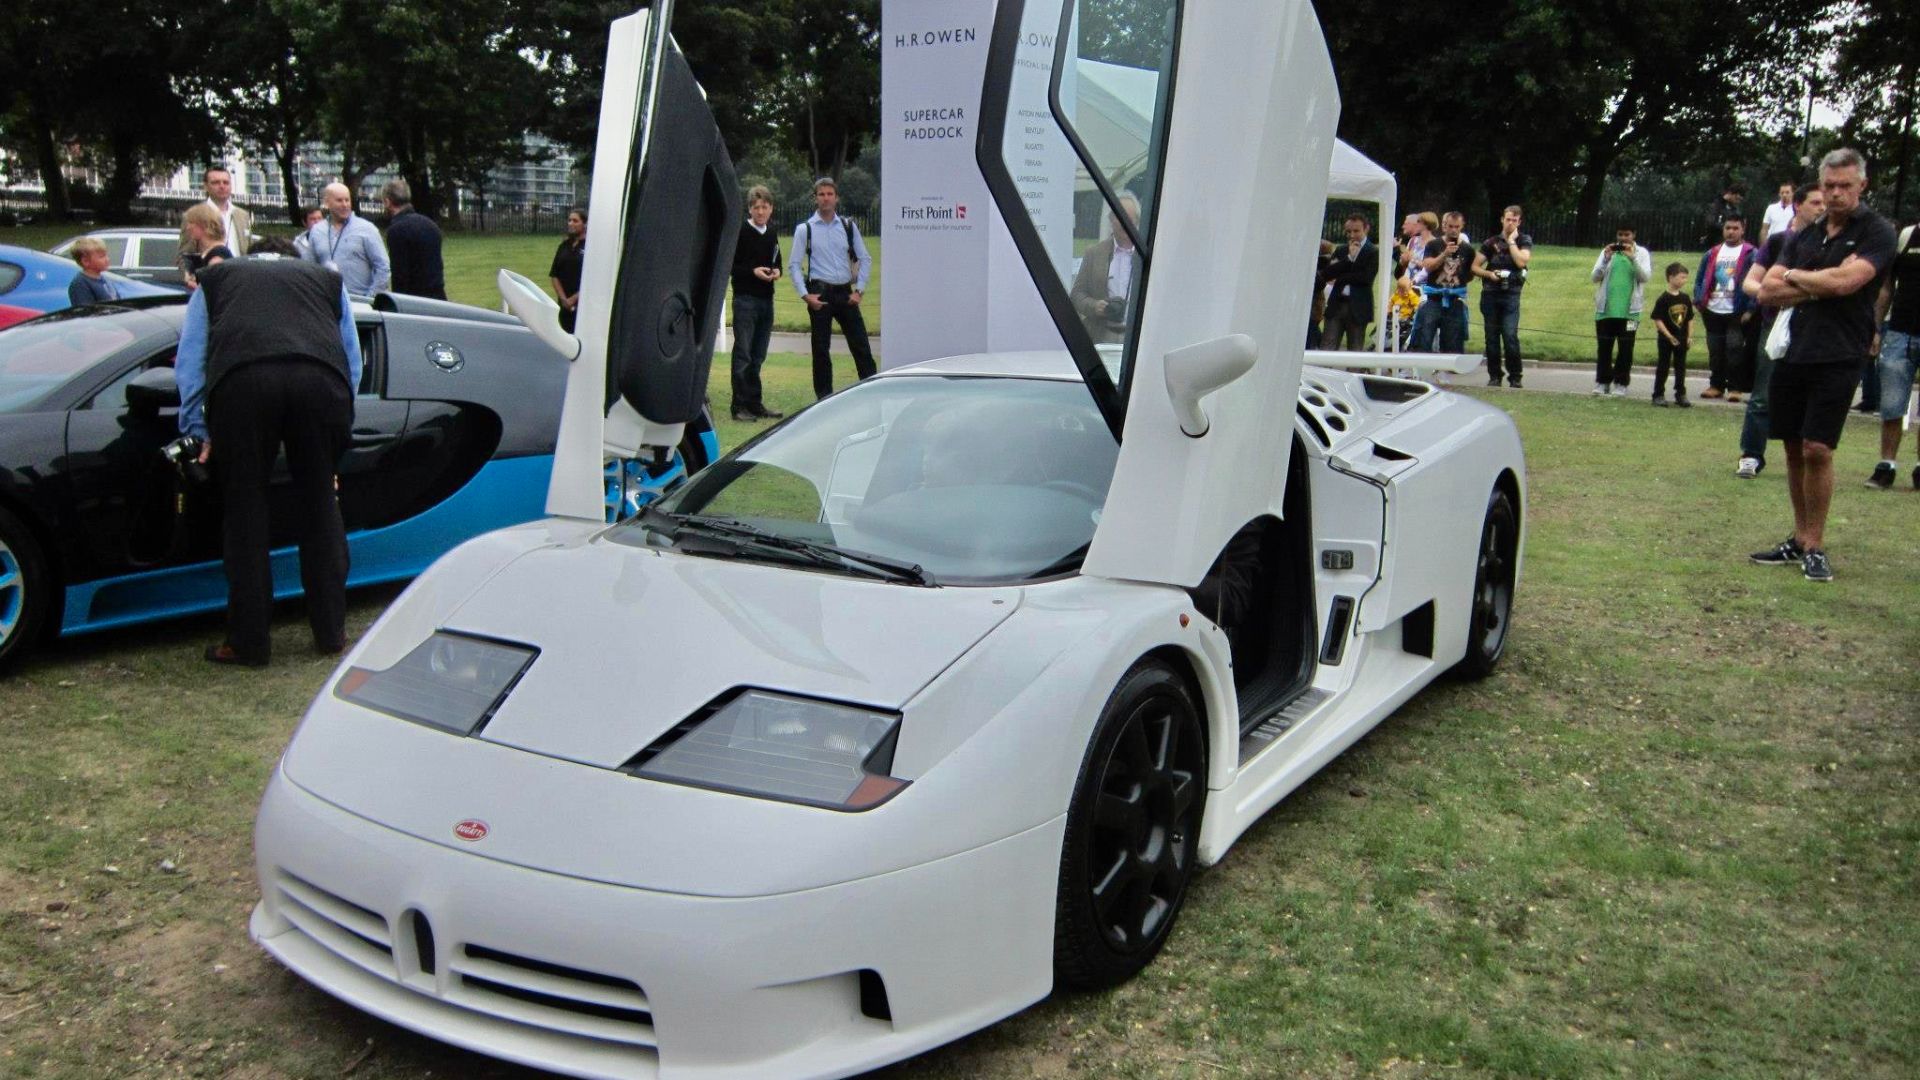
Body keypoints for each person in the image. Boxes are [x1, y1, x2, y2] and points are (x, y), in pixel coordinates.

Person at [174, 236, 363, 664]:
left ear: (249, 257)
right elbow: (352, 357)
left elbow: (191, 360)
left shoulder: (216, 279)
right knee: (320, 503)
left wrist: (198, 428)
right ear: (294, 261)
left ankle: (248, 642)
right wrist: (341, 420)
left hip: (243, 384)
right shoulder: (327, 280)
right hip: (321, 382)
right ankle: (331, 633)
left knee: (245, 510)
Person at [1750, 148, 1899, 583]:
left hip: (1840, 352)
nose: (1835, 194)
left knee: (1818, 448)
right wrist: (1818, 284)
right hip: (1795, 349)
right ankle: (1798, 538)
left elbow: (1850, 281)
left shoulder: (1877, 232)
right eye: (1828, 186)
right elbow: (1765, 290)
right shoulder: (1808, 233)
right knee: (1793, 447)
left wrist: (1800, 279)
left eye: (1844, 186)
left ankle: (1815, 544)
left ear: (1862, 186)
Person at [1735, 183, 1824, 478]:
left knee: (1808, 394)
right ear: (1798, 205)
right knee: (1763, 392)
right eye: (1815, 202)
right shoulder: (1777, 241)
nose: (1822, 208)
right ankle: (1751, 454)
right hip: (1776, 324)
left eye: (1824, 203)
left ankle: (1801, 454)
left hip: (1815, 327)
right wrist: (1773, 295)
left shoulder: (1830, 244)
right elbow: (1750, 281)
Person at [790, 177, 875, 399]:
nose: (826, 198)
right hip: (821, 294)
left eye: (830, 194)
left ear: (836, 198)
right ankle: (824, 398)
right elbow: (794, 265)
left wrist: (860, 290)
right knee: (820, 351)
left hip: (846, 293)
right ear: (815, 198)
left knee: (861, 346)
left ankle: (873, 392)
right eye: (821, 194)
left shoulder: (848, 226)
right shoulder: (805, 229)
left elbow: (865, 258)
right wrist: (805, 295)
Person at [1865, 219, 1919, 489]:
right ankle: (1887, 465)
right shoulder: (1908, 236)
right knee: (1891, 403)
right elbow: (1887, 286)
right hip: (1900, 332)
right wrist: (1875, 328)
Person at [729, 186, 784, 422]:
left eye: (765, 207)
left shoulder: (771, 233)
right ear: (750, 209)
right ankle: (739, 405)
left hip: (766, 300)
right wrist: (753, 271)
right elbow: (731, 266)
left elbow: (777, 259)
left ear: (771, 208)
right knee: (743, 353)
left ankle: (754, 403)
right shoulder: (740, 231)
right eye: (756, 207)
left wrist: (777, 271)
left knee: (758, 354)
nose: (760, 211)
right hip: (745, 300)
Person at [1693, 215, 1758, 400]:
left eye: (1735, 228)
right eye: (1728, 228)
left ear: (1743, 229)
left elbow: (1757, 280)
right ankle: (1716, 385)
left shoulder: (1751, 253)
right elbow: (1701, 278)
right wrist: (1699, 300)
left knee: (1735, 349)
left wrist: (1751, 309)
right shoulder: (1712, 253)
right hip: (1713, 308)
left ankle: (1735, 387)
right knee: (1715, 350)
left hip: (1736, 310)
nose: (1731, 232)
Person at [1072, 193, 1144, 347]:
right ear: (1111, 220)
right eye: (1120, 219)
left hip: (1137, 339)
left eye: (1131, 220)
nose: (1125, 224)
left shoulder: (1146, 254)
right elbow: (1077, 295)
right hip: (1101, 336)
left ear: (1137, 221)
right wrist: (1095, 306)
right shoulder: (1094, 253)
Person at [1474, 205, 1533, 387]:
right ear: (1502, 219)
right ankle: (1494, 376)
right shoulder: (1491, 242)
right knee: (1491, 337)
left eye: (1514, 220)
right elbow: (1475, 266)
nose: (1510, 223)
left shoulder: (1523, 240)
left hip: (1511, 295)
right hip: (1491, 293)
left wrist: (1512, 242)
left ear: (1519, 222)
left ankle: (1515, 376)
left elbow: (1522, 261)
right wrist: (1489, 274)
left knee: (1509, 335)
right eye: (1508, 219)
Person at [1590, 225, 1652, 395]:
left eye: (1627, 234)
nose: (1623, 238)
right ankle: (1602, 382)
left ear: (1634, 235)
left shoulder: (1642, 253)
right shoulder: (1608, 252)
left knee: (1626, 348)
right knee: (1604, 348)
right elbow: (1594, 277)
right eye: (1620, 234)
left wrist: (1632, 259)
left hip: (1631, 313)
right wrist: (1605, 259)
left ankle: (1621, 383)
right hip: (1605, 311)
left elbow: (1645, 277)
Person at [303, 182, 390, 295]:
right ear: (327, 202)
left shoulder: (367, 229)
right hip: (327, 302)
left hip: (359, 302)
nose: (345, 205)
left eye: (347, 200)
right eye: (339, 200)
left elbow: (383, 267)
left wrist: (371, 299)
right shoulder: (317, 231)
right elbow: (309, 268)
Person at [1411, 211, 1476, 353]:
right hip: (1434, 298)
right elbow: (1427, 265)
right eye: (1450, 226)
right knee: (1425, 337)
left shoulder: (1468, 249)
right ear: (1444, 226)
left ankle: (1448, 367)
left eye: (1457, 227)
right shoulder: (1434, 245)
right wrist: (1444, 254)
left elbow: (1470, 273)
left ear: (1462, 226)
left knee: (1452, 341)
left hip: (1454, 299)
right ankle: (1422, 366)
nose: (1453, 230)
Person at [1318, 213, 1378, 350]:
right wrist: (1349, 259)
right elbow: (1327, 274)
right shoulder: (1341, 250)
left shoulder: (1373, 252)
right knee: (1327, 345)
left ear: (1366, 229)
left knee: (1355, 348)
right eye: (1348, 231)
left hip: (1358, 306)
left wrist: (1341, 276)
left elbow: (1366, 278)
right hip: (1337, 304)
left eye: (1356, 231)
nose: (1352, 235)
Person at [381, 179, 446, 300]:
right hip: (438, 297)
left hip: (415, 301)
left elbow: (400, 275)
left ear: (387, 201)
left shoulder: (396, 230)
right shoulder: (431, 225)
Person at [179, 165, 252, 258]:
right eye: (216, 183)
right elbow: (184, 255)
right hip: (209, 271)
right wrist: (189, 272)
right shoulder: (193, 216)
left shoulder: (243, 215)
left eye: (226, 182)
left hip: (239, 271)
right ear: (205, 186)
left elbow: (250, 251)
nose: (222, 186)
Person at [1650, 263, 1695, 407]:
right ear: (1671, 277)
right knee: (1663, 365)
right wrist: (1668, 336)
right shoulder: (1663, 299)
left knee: (1680, 366)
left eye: (1685, 278)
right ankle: (1658, 394)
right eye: (1681, 277)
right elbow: (1658, 319)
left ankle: (1680, 393)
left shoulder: (1685, 298)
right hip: (1666, 339)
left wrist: (1689, 336)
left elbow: (1690, 319)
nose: (1684, 281)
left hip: (1681, 338)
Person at [548, 208, 587, 333]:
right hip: (564, 305)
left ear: (584, 224)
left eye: (575, 221)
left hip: (583, 305)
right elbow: (554, 275)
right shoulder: (564, 246)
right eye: (569, 220)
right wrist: (564, 299)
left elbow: (594, 279)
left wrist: (574, 298)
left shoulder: (590, 246)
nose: (571, 223)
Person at [179, 204, 230, 289]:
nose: (188, 227)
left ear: (203, 225)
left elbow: (214, 291)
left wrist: (192, 283)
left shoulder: (217, 257)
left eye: (191, 223)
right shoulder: (210, 252)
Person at [65, 237, 119, 307]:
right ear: (85, 261)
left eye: (106, 255)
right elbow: (85, 312)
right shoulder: (80, 284)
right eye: (102, 256)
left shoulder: (105, 279)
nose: (107, 259)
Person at [1759, 182, 1796, 246]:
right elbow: (1764, 229)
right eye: (1782, 193)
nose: (1784, 195)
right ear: (1779, 194)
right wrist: (1763, 246)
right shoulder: (1771, 208)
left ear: (1793, 193)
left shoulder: (1796, 209)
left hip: (1789, 244)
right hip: (1772, 243)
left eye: (1787, 192)